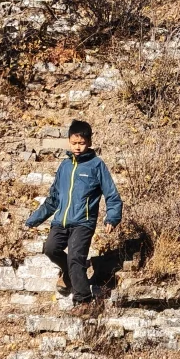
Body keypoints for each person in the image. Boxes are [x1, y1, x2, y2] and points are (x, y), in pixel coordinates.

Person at [25, 119, 122, 312]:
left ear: (89, 142)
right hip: (61, 220)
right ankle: (69, 273)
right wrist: (35, 219)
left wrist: (112, 217)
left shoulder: (96, 165)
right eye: (74, 143)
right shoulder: (65, 166)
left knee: (75, 257)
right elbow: (53, 198)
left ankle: (83, 301)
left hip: (83, 222)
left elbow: (112, 195)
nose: (77, 147)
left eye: (82, 143)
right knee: (51, 249)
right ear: (69, 141)